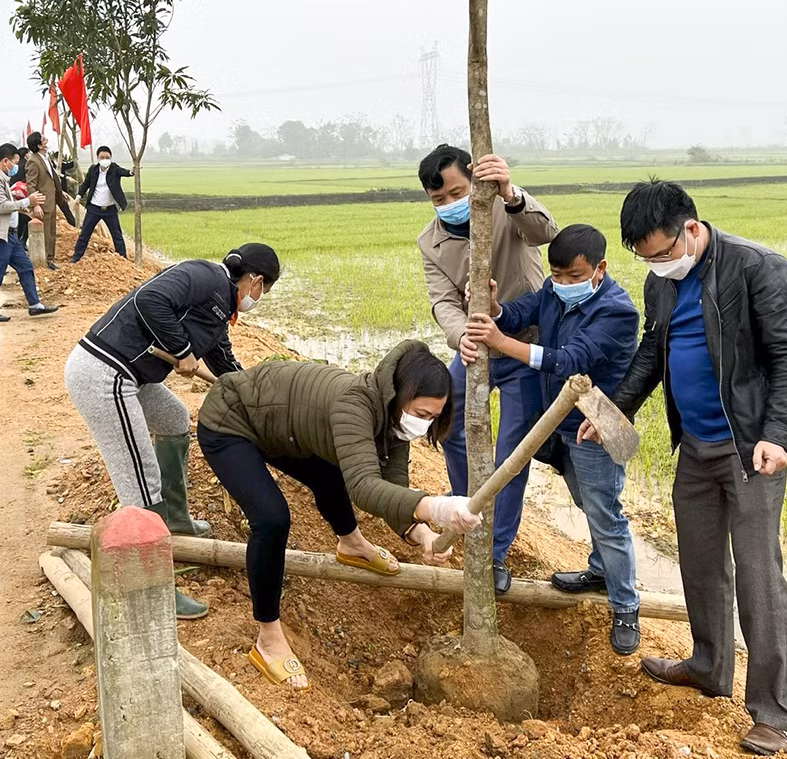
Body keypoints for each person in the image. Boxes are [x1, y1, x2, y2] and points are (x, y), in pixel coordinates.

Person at [603, 180, 787, 756]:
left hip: (750, 451)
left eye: (662, 253)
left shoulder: (757, 268)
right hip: (695, 445)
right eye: (645, 258)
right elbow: (653, 352)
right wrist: (615, 409)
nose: (656, 266)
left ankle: (776, 715)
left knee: (758, 578)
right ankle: (709, 665)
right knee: (698, 564)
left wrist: (775, 434)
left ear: (690, 229)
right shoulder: (659, 283)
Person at [196, 340, 481, 689]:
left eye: (433, 418)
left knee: (331, 471)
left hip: (282, 429)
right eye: (422, 415)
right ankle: (268, 638)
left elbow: (394, 485)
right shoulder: (354, 406)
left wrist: (424, 535)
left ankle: (352, 545)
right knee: (271, 518)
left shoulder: (393, 418)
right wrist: (439, 506)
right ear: (400, 395)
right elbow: (363, 487)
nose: (424, 425)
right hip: (231, 421)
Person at [64, 242, 281, 619]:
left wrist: (256, 400)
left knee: (174, 418)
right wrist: (181, 349)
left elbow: (224, 362)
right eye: (263, 291)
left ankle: (176, 521)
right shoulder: (204, 276)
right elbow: (149, 301)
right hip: (104, 373)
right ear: (256, 281)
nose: (258, 298)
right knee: (142, 478)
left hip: (134, 376)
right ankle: (155, 584)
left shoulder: (220, 309)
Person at [465, 224, 642, 654]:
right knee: (587, 502)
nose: (562, 285)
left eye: (573, 277)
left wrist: (501, 342)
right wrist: (497, 310)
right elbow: (525, 310)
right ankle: (601, 571)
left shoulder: (617, 312)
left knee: (605, 512)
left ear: (599, 269)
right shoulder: (553, 289)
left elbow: (568, 360)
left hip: (594, 423)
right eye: (557, 275)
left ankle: (626, 607)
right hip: (560, 419)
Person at [416, 143, 557, 595]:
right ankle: (468, 509)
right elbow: (442, 300)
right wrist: (464, 337)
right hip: (475, 346)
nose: (450, 204)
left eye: (458, 192)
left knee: (511, 455)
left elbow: (545, 231)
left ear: (475, 182)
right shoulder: (430, 241)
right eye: (439, 199)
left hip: (521, 344)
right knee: (449, 422)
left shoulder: (503, 205)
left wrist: (510, 192)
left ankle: (494, 552)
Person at [0, 143, 59, 321]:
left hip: (10, 235)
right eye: (15, 162)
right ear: (6, 161)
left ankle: (34, 305)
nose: (16, 167)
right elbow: (2, 206)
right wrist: (27, 201)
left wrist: (20, 210)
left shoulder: (1, 177)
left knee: (26, 267)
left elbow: (7, 206)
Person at [72, 146, 132, 261]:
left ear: (110, 158)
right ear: (98, 158)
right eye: (102, 157)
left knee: (117, 235)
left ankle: (123, 258)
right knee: (85, 234)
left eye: (107, 157)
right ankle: (76, 257)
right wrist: (79, 196)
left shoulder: (114, 168)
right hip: (94, 208)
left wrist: (132, 172)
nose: (104, 159)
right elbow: (86, 184)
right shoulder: (93, 170)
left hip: (110, 209)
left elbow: (124, 172)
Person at [24, 131, 69, 269]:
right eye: (43, 139)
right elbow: (31, 185)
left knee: (51, 233)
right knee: (45, 233)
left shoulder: (45, 158)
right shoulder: (33, 161)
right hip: (42, 203)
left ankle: (50, 259)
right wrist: (36, 205)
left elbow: (52, 179)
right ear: (39, 145)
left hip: (51, 201)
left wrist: (61, 193)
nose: (46, 140)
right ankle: (43, 262)